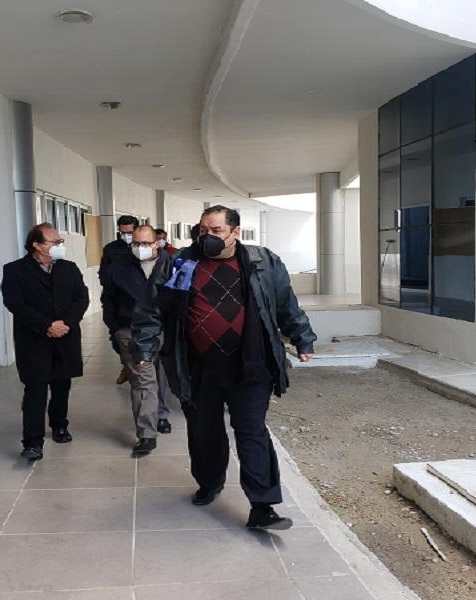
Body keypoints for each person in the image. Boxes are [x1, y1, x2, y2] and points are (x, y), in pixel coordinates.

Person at [130, 205, 316, 530]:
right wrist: (144, 346)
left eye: (216, 231)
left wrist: (303, 338)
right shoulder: (179, 263)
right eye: (203, 230)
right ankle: (210, 482)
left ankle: (263, 505)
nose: (208, 237)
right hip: (198, 368)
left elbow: (286, 303)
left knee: (252, 431)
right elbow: (151, 309)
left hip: (250, 367)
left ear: (235, 233)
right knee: (205, 433)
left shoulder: (263, 262)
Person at [1, 223, 90, 461]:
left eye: (60, 242)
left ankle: (59, 425)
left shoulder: (69, 269)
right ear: (37, 245)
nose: (60, 246)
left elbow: (81, 298)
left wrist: (66, 323)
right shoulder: (14, 270)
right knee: (35, 390)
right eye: (54, 242)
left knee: (62, 385)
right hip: (34, 339)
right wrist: (46, 325)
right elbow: (15, 303)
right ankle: (32, 441)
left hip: (66, 337)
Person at [101, 225, 174, 456]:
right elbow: (109, 301)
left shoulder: (173, 264)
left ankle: (160, 414)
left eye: (145, 244)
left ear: (156, 243)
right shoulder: (119, 268)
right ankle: (146, 434)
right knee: (143, 382)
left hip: (165, 329)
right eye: (135, 244)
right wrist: (115, 330)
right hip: (131, 330)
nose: (139, 248)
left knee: (163, 374)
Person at [99, 215, 140, 385]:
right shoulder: (111, 249)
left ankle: (136, 369)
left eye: (130, 232)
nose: (126, 236)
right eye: (123, 232)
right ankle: (126, 365)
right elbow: (104, 272)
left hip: (138, 300)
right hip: (116, 299)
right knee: (117, 337)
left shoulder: (143, 248)